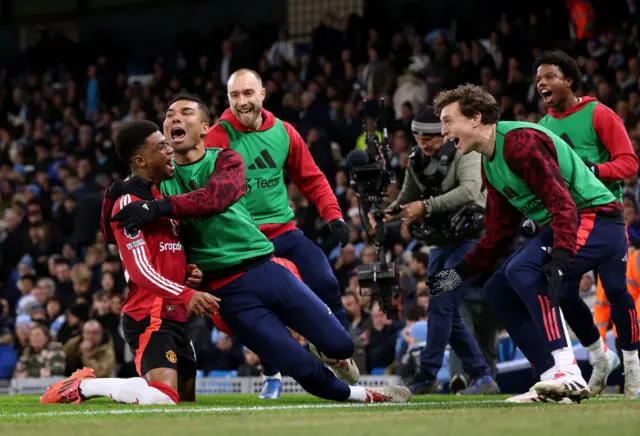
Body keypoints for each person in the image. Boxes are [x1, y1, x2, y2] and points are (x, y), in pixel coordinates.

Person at [108, 114, 410, 403]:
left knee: (342, 342)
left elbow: (215, 197)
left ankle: (323, 352)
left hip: (262, 268)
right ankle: (363, 393)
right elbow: (123, 234)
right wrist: (114, 194)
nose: (174, 121)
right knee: (301, 368)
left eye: (185, 113)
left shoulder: (225, 159)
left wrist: (163, 218)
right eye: (169, 116)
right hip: (223, 292)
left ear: (203, 128)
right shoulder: (155, 188)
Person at [428, 84, 635, 403]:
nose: (443, 131)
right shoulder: (489, 164)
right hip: (565, 223)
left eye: (447, 120)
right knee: (498, 289)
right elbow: (497, 234)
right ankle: (552, 379)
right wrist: (459, 272)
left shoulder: (520, 143)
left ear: (475, 118)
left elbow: (563, 204)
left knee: (526, 271)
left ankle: (568, 373)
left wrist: (560, 257)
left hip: (596, 218)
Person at [41, 118, 220, 406]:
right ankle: (84, 386)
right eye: (161, 147)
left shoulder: (164, 201)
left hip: (175, 315)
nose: (170, 151)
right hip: (149, 314)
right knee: (163, 400)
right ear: (140, 159)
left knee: (186, 405)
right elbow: (139, 271)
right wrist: (188, 294)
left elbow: (164, 253)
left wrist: (187, 273)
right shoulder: (128, 203)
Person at [203, 68, 352, 398]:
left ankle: (337, 354)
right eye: (234, 95)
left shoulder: (284, 132)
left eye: (248, 93)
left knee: (324, 279)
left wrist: (333, 214)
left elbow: (311, 178)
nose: (242, 101)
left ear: (262, 94)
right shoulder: (218, 136)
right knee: (251, 316)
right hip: (244, 244)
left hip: (283, 232)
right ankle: (271, 371)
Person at [535, 50, 640, 396]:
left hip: (606, 216)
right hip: (570, 220)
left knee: (615, 289)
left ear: (569, 80)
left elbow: (629, 163)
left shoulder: (600, 114)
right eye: (538, 79)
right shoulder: (544, 126)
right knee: (561, 289)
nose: (541, 83)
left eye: (549, 76)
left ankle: (633, 369)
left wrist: (595, 170)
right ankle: (599, 357)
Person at [374, 106, 498, 395]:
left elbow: (470, 190)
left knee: (442, 300)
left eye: (428, 138)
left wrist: (426, 207)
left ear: (442, 134)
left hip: (471, 242)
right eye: (418, 138)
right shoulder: (417, 158)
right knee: (449, 313)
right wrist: (389, 213)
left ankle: (425, 375)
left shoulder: (465, 152)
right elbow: (408, 196)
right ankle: (483, 378)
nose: (423, 144)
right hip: (440, 243)